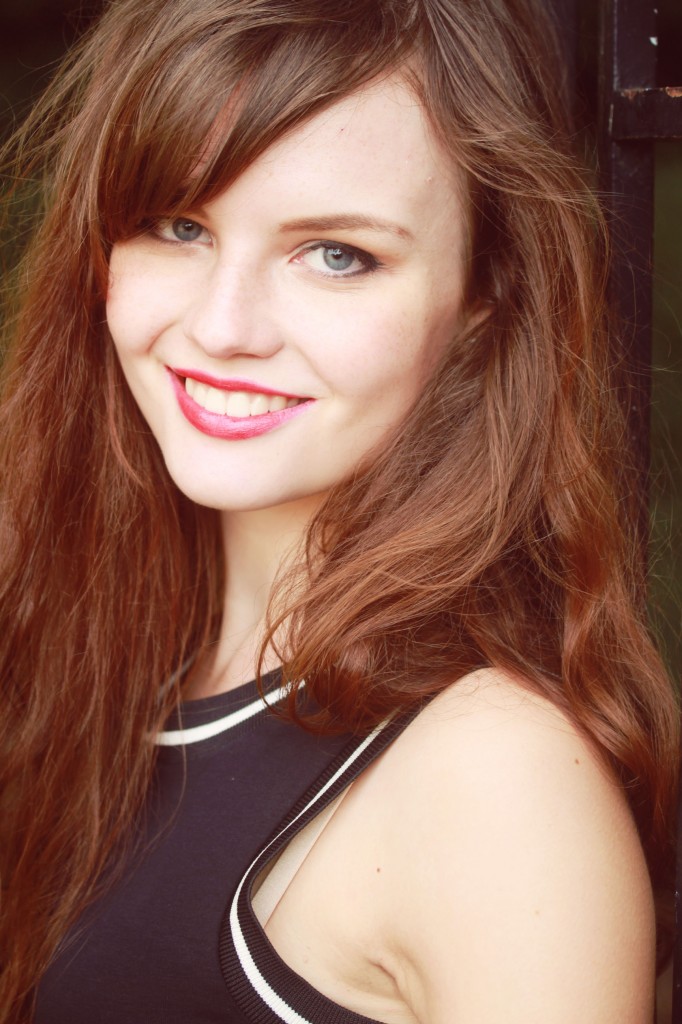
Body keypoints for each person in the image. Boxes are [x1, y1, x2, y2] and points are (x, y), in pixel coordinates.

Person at [0, 0, 677, 1021]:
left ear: (484, 294)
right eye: (179, 226)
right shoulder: (104, 649)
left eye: (335, 254)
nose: (222, 326)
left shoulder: (493, 779)